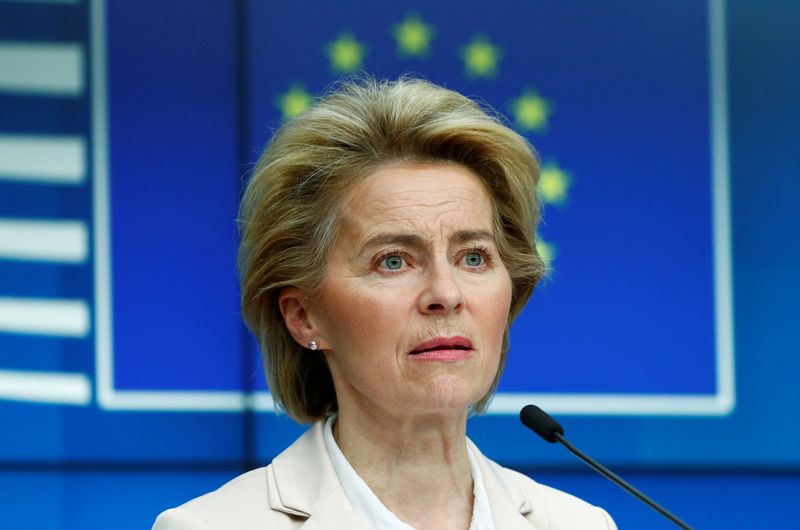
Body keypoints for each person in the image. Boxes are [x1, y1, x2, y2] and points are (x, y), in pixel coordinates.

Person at [153, 77, 616, 529]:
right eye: (393, 261)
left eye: (473, 257)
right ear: (303, 316)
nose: (446, 294)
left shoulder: (579, 523)